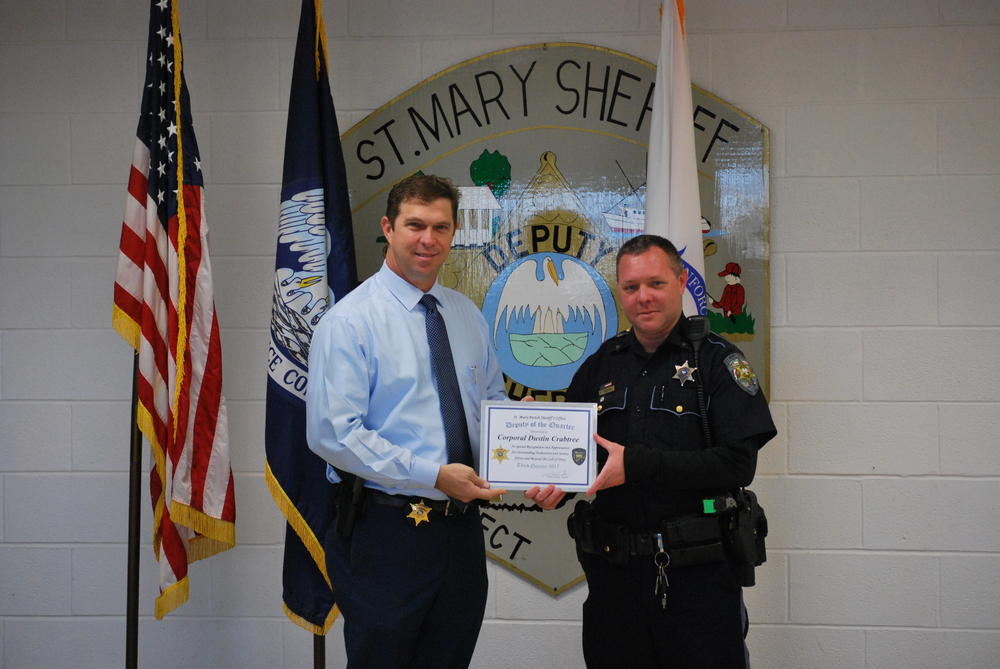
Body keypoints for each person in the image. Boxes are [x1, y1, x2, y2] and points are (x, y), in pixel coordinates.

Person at [528, 234, 776, 668]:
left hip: (698, 579)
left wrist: (638, 464)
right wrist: (555, 481)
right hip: (615, 579)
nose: (643, 297)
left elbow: (739, 463)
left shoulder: (718, 362)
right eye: (631, 287)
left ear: (681, 282)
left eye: (656, 283)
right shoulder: (600, 365)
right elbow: (576, 454)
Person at [306, 174, 508, 669]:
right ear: (388, 228)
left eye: (440, 227)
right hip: (386, 532)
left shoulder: (466, 315)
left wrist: (528, 468)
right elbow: (334, 433)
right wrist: (434, 475)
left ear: (454, 233)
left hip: (459, 534)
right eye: (415, 224)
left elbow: (493, 404)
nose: (428, 239)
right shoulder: (351, 322)